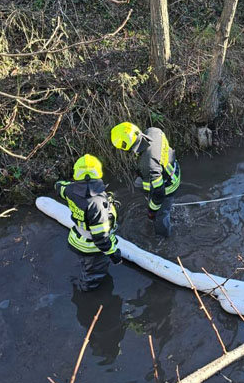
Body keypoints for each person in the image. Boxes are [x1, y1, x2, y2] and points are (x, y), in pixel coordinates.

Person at [55, 154, 122, 291]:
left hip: (78, 239)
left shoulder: (70, 190)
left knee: (86, 265)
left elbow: (59, 186)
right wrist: (114, 254)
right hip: (92, 247)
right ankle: (88, 291)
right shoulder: (97, 204)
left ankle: (86, 273)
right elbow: (101, 238)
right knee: (94, 273)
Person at [111, 122, 180, 237]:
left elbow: (159, 193)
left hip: (168, 185)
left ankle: (163, 238)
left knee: (161, 215)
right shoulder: (153, 131)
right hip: (173, 168)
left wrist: (152, 211)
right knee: (138, 183)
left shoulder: (147, 164)